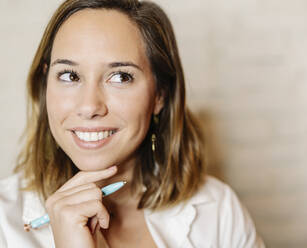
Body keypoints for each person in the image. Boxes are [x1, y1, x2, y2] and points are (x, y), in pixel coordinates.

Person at [0, 0, 265, 247]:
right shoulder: (4, 220)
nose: (90, 107)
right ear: (46, 83)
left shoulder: (218, 209)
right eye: (69, 75)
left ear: (159, 95)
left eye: (120, 77)